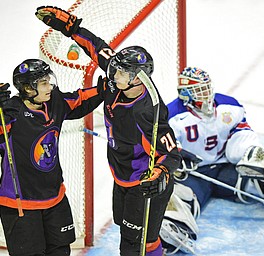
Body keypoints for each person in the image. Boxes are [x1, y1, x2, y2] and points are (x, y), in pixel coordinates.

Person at [35, 6, 182, 256]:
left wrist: (160, 171)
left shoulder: (147, 111)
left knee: (135, 245)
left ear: (139, 78)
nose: (114, 74)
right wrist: (71, 28)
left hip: (143, 183)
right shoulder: (118, 83)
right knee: (129, 232)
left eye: (122, 72)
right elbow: (96, 47)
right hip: (121, 176)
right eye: (115, 69)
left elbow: (173, 153)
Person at [158, 66, 264, 254]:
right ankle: (175, 227)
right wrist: (175, 157)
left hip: (226, 169)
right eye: (200, 91)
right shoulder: (171, 116)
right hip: (193, 175)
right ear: (185, 94)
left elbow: (241, 132)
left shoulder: (229, 106)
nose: (207, 95)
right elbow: (162, 147)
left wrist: (249, 152)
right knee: (171, 191)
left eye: (207, 88)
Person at [0, 59, 103, 256]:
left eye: (49, 80)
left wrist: (106, 88)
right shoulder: (10, 112)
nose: (50, 86)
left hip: (55, 198)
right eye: (44, 83)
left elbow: (79, 99)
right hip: (20, 204)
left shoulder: (54, 101)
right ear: (28, 89)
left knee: (61, 251)